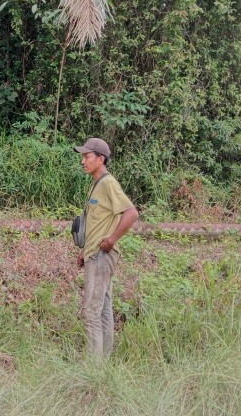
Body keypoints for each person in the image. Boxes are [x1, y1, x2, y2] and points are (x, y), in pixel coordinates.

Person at [73, 137, 139, 359]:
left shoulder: (109, 183)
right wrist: (85, 250)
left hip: (101, 257)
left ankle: (94, 368)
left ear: (100, 159)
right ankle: (105, 363)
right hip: (95, 254)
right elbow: (98, 221)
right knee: (102, 310)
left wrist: (111, 240)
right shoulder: (97, 183)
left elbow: (131, 213)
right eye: (82, 156)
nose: (83, 161)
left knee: (90, 311)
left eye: (87, 156)